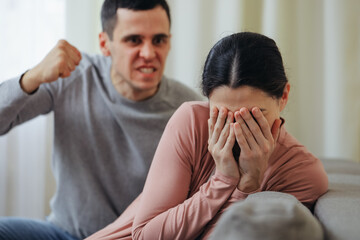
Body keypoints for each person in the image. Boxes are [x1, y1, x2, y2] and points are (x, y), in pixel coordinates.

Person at [85, 32, 328, 240]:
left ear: (283, 96)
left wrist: (247, 186)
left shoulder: (302, 174)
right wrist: (222, 180)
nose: (235, 129)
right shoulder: (191, 120)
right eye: (222, 114)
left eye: (253, 116)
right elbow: (145, 235)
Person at [0, 0, 202, 239]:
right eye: (134, 40)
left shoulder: (188, 111)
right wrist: (31, 77)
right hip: (64, 232)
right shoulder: (70, 77)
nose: (149, 54)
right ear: (105, 44)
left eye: (158, 40)